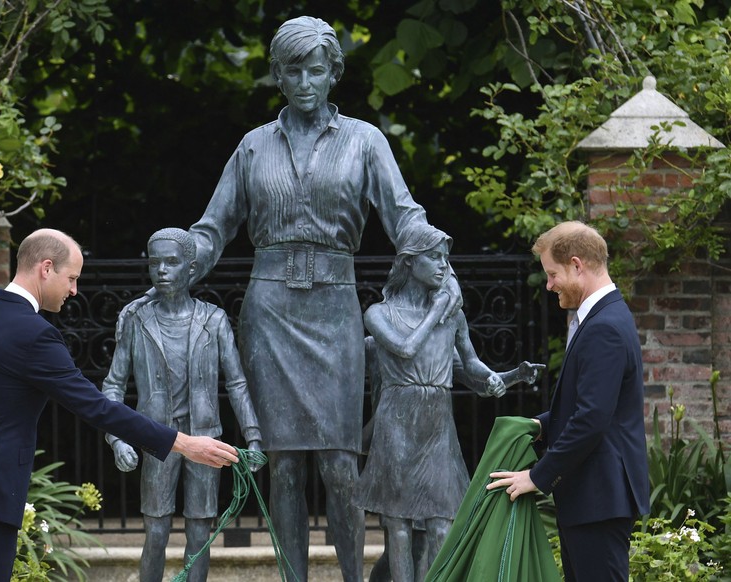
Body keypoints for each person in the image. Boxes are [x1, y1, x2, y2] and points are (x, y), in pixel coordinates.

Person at [177, 16, 462, 580]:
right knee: (281, 465)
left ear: (333, 72)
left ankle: (353, 577)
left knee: (339, 464)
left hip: (334, 310)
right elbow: (214, 227)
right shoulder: (253, 145)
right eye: (292, 70)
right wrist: (178, 256)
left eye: (316, 69)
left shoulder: (365, 140)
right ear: (278, 77)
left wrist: (438, 257)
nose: (305, 80)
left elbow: (403, 215)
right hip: (270, 311)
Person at [0, 229, 240, 582]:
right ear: (46, 268)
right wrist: (184, 442)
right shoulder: (35, 334)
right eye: (71, 278)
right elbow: (96, 406)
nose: (74, 290)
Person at [353, 224, 544, 582]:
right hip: (397, 419)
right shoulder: (379, 314)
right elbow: (406, 349)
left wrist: (510, 376)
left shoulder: (452, 317)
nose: (443, 266)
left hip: (437, 421)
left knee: (442, 522)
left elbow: (471, 368)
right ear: (409, 262)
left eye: (446, 258)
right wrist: (438, 308)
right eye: (435, 257)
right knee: (399, 526)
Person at [486, 221, 649, 581]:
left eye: (552, 273)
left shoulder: (604, 326)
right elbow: (587, 405)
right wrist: (538, 425)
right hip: (593, 498)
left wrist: (537, 476)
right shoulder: (604, 318)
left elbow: (591, 419)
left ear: (577, 265)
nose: (549, 285)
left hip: (599, 499)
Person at [102, 228, 262, 582]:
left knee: (199, 535)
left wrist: (253, 437)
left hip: (205, 438)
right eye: (154, 262)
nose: (161, 270)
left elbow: (235, 382)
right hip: (156, 439)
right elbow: (113, 386)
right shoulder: (137, 322)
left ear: (191, 269)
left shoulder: (214, 320)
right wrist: (117, 439)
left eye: (171, 262)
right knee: (156, 533)